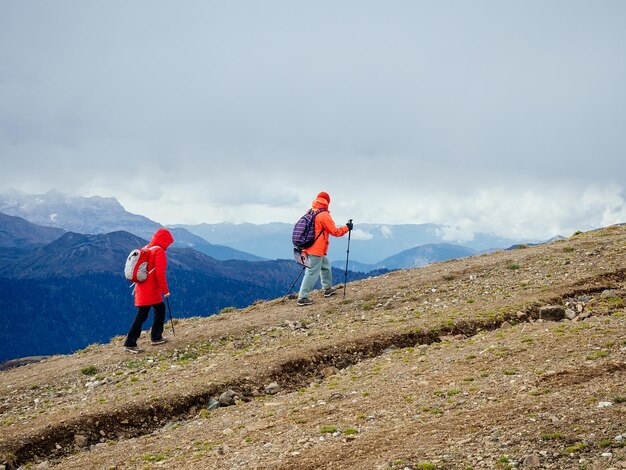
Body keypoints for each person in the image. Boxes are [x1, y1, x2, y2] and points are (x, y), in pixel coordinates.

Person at [297, 191, 353, 306]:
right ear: (327, 202)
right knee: (312, 273)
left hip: (308, 247)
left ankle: (327, 289)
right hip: (316, 250)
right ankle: (302, 297)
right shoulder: (324, 215)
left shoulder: (311, 211)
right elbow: (335, 232)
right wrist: (347, 228)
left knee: (325, 267)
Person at [124, 227, 174, 353]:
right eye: (168, 242)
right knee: (142, 315)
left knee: (159, 308)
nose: (168, 245)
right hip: (150, 289)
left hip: (142, 287)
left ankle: (156, 337)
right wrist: (166, 290)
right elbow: (160, 273)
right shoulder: (159, 251)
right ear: (164, 240)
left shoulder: (148, 247)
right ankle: (130, 343)